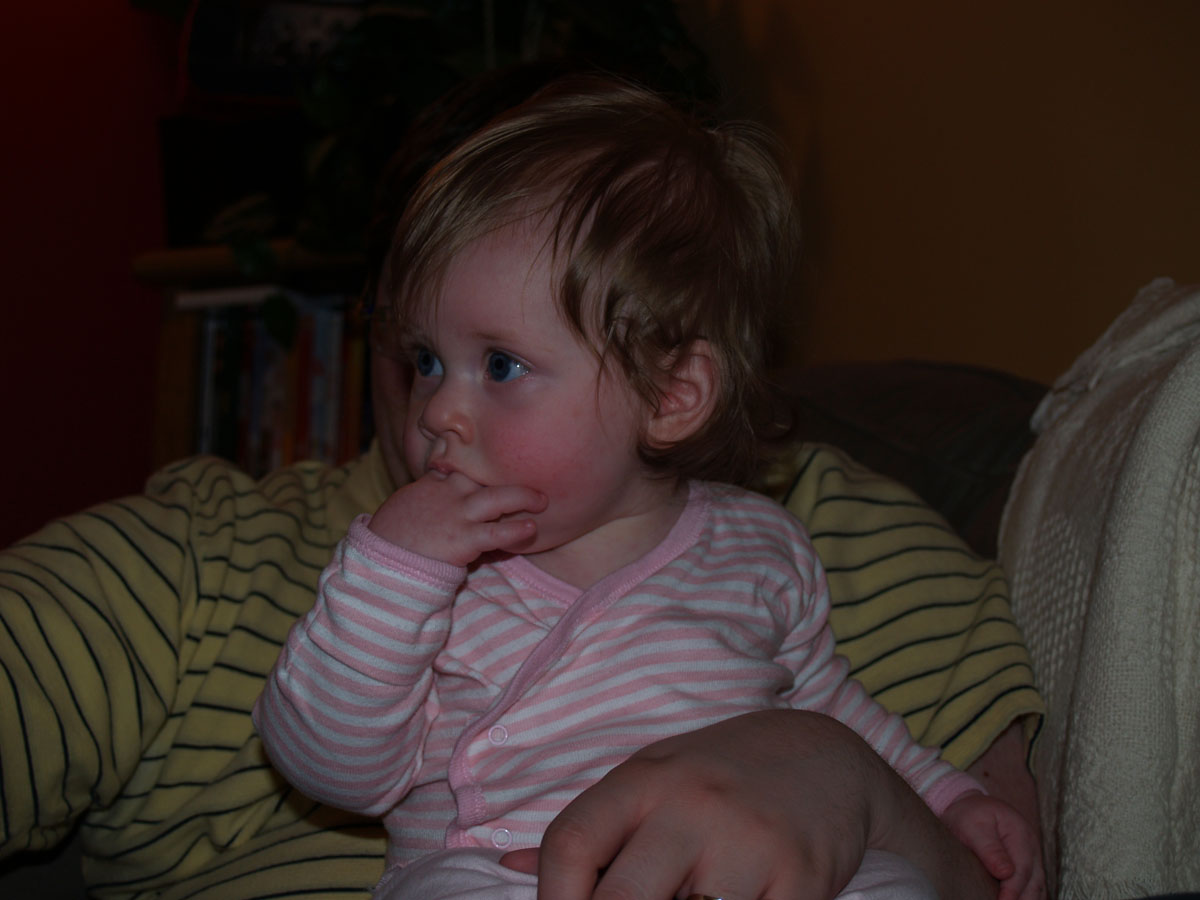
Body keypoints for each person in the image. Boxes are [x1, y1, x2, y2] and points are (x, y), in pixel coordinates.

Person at [252, 75, 1043, 900]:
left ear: (670, 396)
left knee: (887, 882)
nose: (438, 410)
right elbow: (333, 769)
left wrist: (948, 798)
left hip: (736, 867)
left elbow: (832, 709)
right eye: (426, 360)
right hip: (504, 864)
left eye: (501, 365)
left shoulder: (760, 547)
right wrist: (389, 577)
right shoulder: (419, 583)